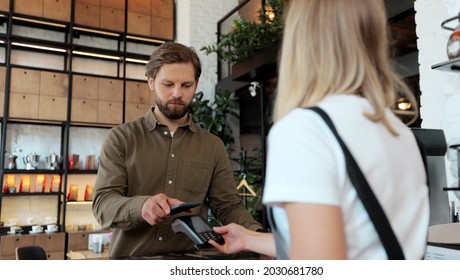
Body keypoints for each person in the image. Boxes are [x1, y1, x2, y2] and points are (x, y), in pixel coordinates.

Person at [210, 0, 430, 259]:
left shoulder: (305, 131)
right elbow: (357, 242)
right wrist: (248, 238)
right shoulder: (399, 132)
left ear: (300, 41)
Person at [92, 42, 263, 257]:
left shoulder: (212, 146)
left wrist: (259, 238)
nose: (177, 93)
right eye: (168, 84)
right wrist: (142, 206)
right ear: (151, 81)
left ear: (196, 84)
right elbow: (102, 205)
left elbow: (228, 207)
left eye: (186, 85)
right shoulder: (121, 138)